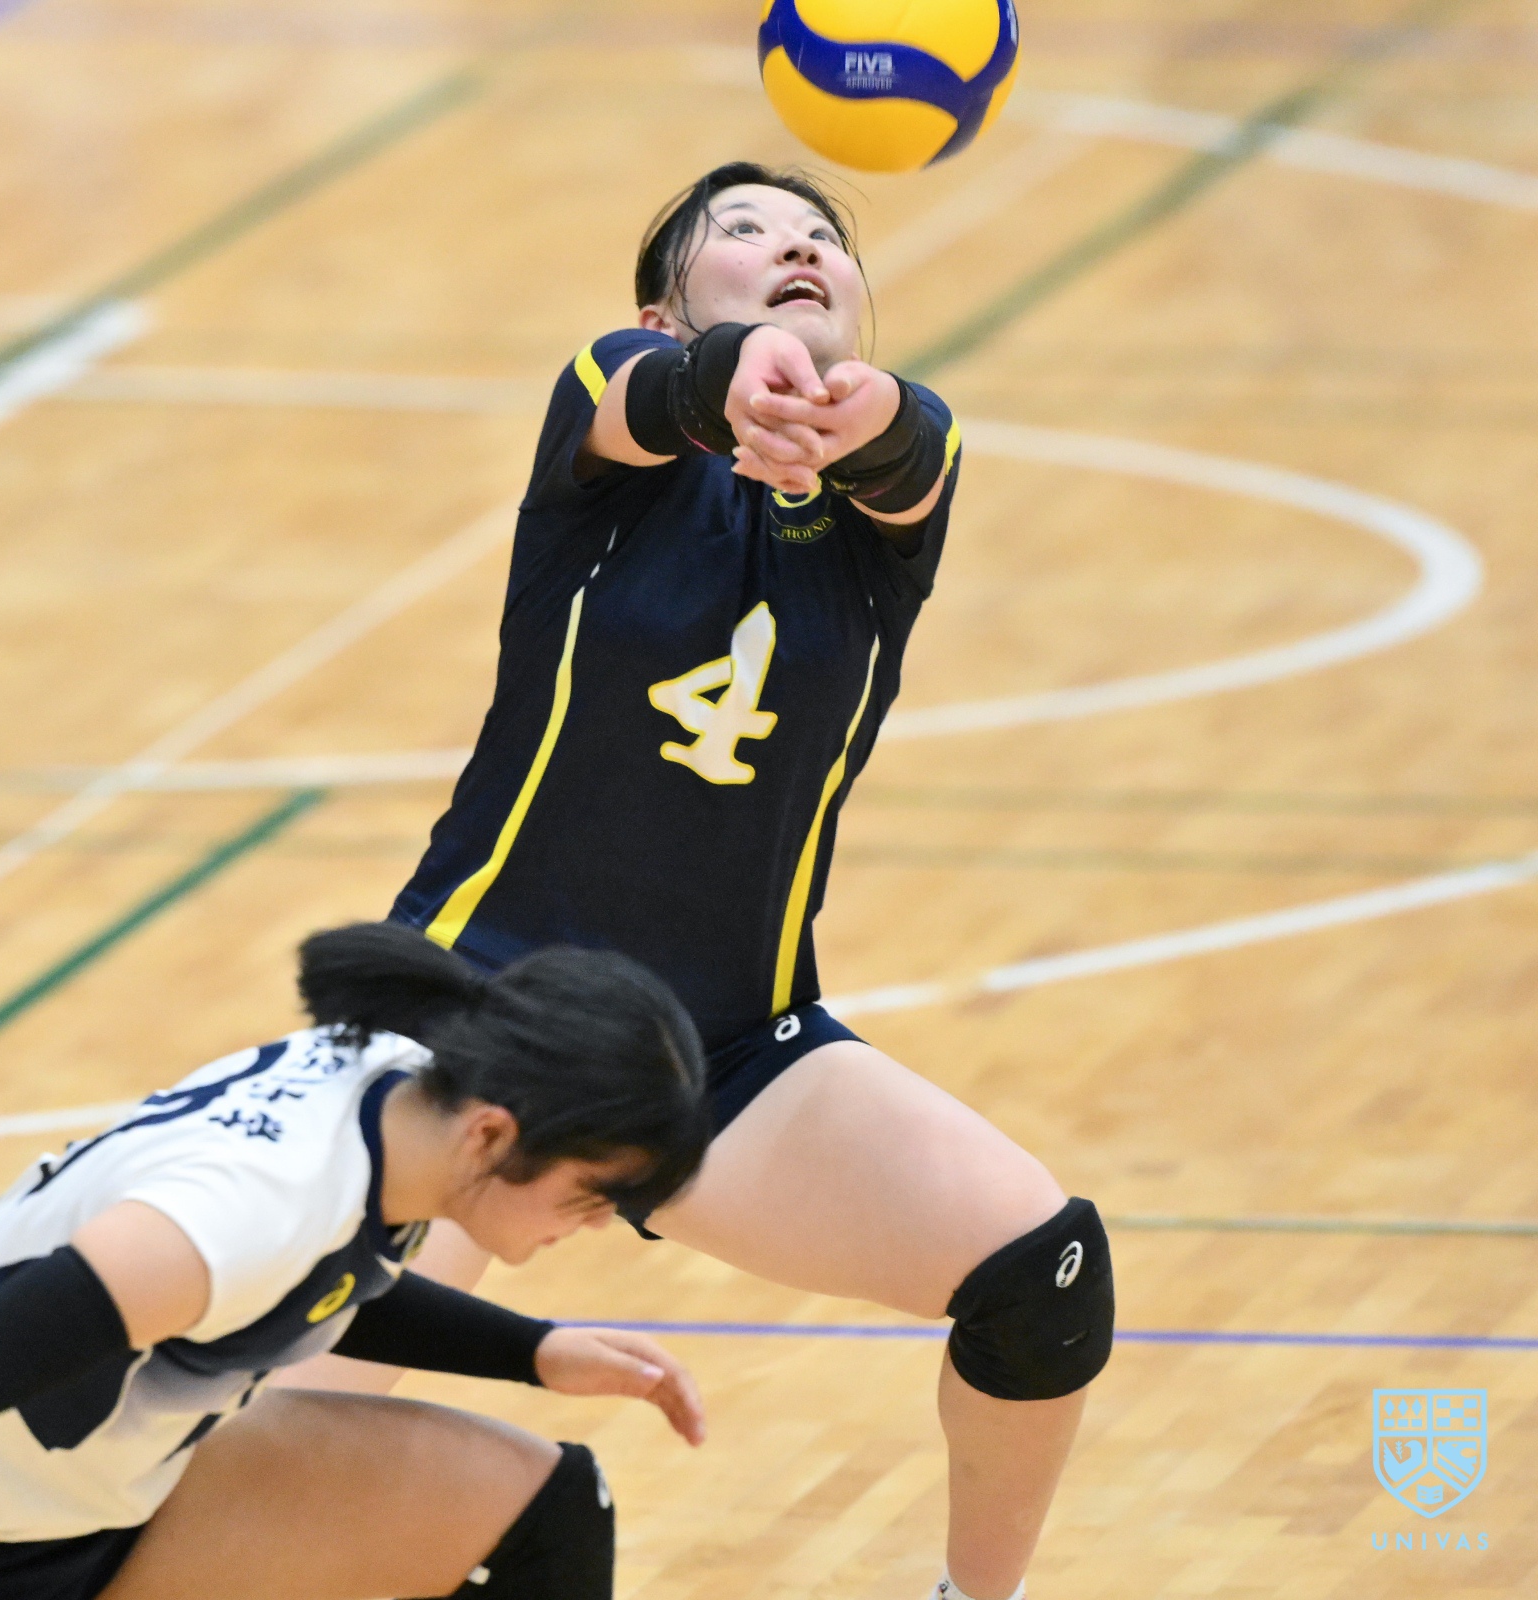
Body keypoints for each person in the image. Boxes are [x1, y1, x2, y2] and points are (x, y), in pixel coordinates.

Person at [297, 163, 1115, 1600]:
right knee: (279, 1411)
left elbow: (914, 444)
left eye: (823, 238)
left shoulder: (882, 518)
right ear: (663, 308)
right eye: (743, 230)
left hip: (726, 1056)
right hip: (479, 1016)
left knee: (1043, 1276)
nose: (797, 244)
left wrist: (868, 416)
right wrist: (722, 380)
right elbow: (646, 394)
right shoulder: (608, 425)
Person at [0, 921, 717, 1600]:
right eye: (593, 1192)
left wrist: (532, 1351)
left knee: (546, 1511)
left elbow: (313, 1280)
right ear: (494, 1134)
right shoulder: (241, 1212)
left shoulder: (400, 1097)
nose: (600, 1223)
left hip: (100, 1517)